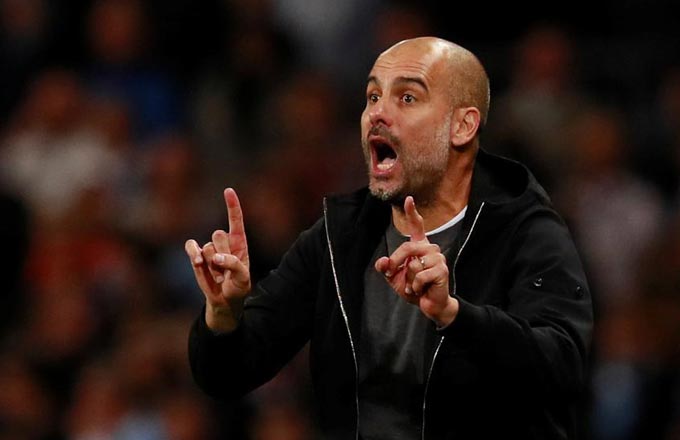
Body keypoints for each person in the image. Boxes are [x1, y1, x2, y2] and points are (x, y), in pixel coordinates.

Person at [186, 37, 593, 439]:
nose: (377, 113)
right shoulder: (340, 236)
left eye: (407, 98)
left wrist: (453, 315)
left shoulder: (527, 230)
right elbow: (228, 376)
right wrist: (223, 314)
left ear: (462, 126)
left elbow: (563, 369)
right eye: (373, 97)